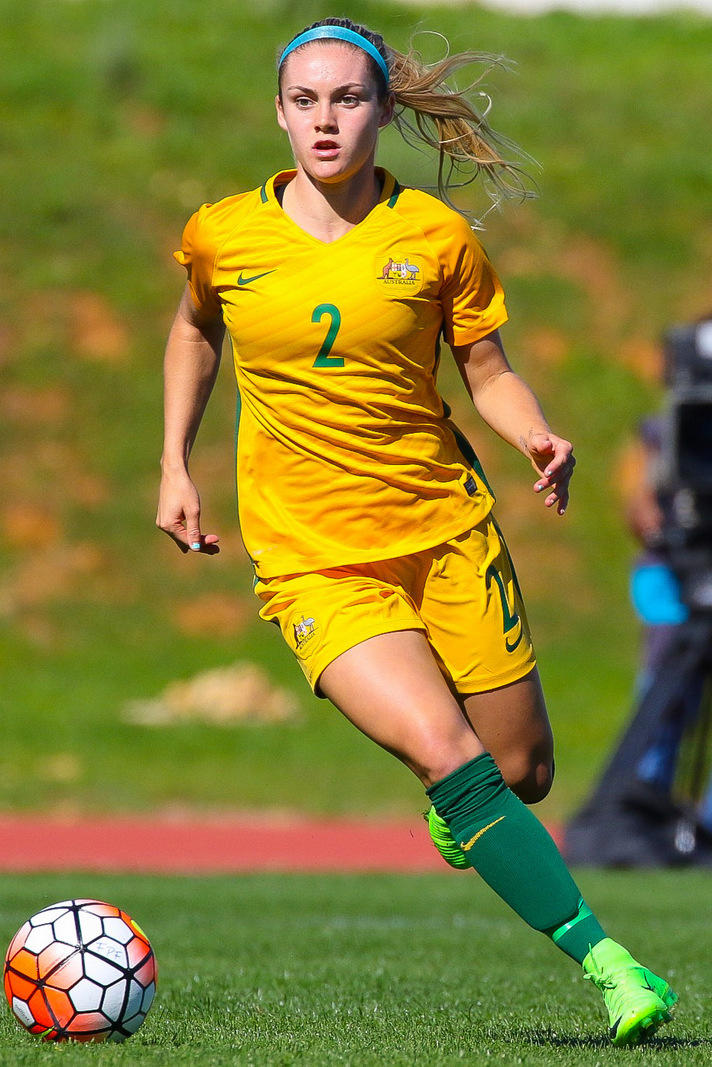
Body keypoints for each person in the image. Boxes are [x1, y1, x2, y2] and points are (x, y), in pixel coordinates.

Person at [156, 17, 677, 1046]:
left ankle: (471, 805)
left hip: (445, 530)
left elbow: (485, 368)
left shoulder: (436, 236)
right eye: (303, 101)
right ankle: (610, 963)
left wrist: (533, 433)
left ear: (383, 110)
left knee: (519, 770)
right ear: (277, 111)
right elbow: (192, 328)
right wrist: (174, 461)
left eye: (346, 99)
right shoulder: (223, 233)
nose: (324, 120)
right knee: (446, 750)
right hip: (312, 559)